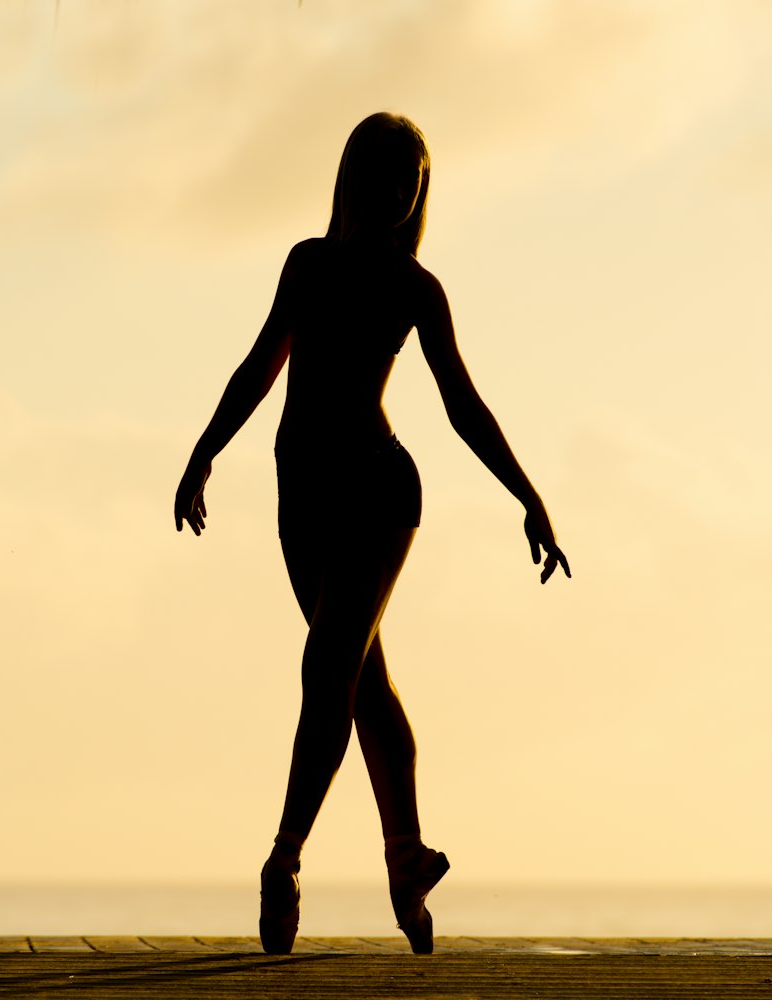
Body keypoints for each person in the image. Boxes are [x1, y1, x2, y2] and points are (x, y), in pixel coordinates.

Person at [175, 112, 570, 955]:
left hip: (379, 491)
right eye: (384, 174)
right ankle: (406, 858)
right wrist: (203, 452)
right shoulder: (307, 265)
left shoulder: (415, 289)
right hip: (301, 498)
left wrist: (528, 497)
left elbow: (463, 404)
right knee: (362, 682)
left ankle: (283, 860)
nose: (395, 193)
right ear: (352, 176)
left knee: (328, 667)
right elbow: (260, 365)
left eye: (411, 181)